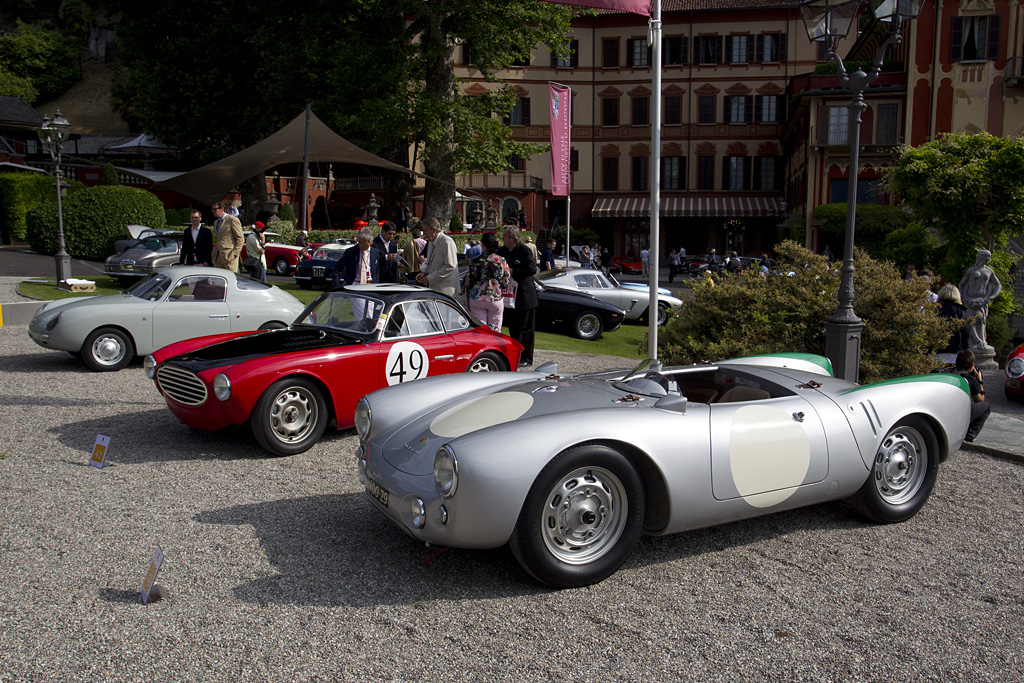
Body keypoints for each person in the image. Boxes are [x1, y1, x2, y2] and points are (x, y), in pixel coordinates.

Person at [498, 225, 538, 368]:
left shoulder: (524, 250)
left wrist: (514, 271)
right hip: (509, 297)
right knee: (513, 328)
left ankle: (527, 358)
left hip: (524, 296)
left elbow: (532, 269)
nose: (502, 238)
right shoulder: (502, 251)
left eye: (505, 235)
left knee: (526, 329)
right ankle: (516, 355)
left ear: (513, 239)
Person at [463, 232, 511, 332]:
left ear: (483, 245)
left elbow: (468, 281)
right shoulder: (501, 261)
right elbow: (506, 280)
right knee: (495, 331)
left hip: (477, 298)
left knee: (480, 331)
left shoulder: (475, 261)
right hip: (495, 298)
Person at [959, 249, 1002, 352]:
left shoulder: (989, 271)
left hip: (983, 301)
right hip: (971, 300)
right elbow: (962, 284)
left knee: (981, 321)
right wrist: (964, 297)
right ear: (982, 257)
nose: (989, 259)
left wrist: (991, 297)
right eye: (988, 257)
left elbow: (998, 285)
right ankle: (977, 341)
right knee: (972, 321)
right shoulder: (971, 270)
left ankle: (981, 341)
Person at [415, 217, 460, 296]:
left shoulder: (447, 241)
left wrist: (430, 279)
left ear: (434, 230)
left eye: (425, 231)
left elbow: (450, 266)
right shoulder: (430, 242)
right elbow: (430, 262)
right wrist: (423, 272)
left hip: (446, 290)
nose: (424, 234)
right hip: (435, 289)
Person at [956, 349, 991, 443]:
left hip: (945, 408)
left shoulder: (946, 372)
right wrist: (979, 381)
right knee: (986, 407)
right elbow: (980, 401)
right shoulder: (970, 380)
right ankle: (969, 435)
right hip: (959, 412)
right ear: (972, 366)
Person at [211, 201, 244, 272]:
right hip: (218, 257)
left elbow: (240, 239)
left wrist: (234, 254)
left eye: (214, 209)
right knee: (218, 281)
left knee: (231, 280)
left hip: (229, 256)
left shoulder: (232, 220)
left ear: (221, 209)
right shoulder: (216, 222)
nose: (212, 211)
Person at [937, 284, 969, 356]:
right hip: (955, 351)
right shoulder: (961, 311)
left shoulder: (935, 308)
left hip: (936, 351)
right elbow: (966, 331)